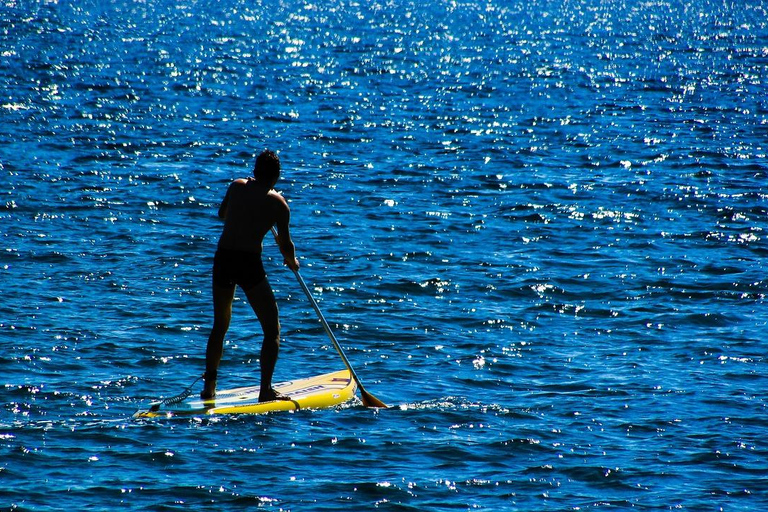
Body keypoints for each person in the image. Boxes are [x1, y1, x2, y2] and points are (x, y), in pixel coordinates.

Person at [201, 149, 299, 401]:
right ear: (276, 177)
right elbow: (286, 246)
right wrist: (292, 261)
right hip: (247, 263)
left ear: (255, 171)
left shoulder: (236, 186)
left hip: (223, 258)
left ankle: (209, 389)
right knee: (271, 327)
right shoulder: (279, 204)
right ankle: (265, 390)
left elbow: (222, 214)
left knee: (220, 325)